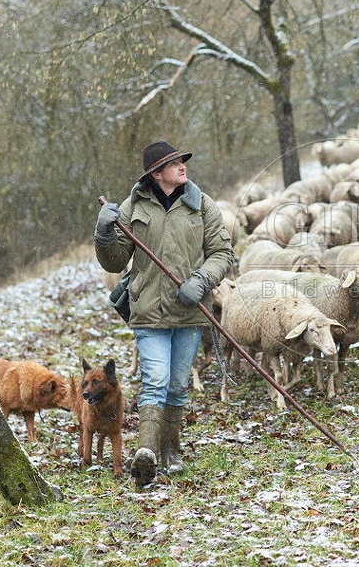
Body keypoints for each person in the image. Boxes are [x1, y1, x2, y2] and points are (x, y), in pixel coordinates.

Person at [95, 141, 235, 487]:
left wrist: (201, 280)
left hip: (190, 311)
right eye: (173, 163)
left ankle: (170, 448)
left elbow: (222, 252)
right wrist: (103, 233)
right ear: (156, 174)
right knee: (155, 381)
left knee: (176, 385)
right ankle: (146, 452)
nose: (182, 166)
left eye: (181, 161)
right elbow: (114, 262)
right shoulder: (133, 207)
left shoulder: (202, 205)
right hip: (148, 311)